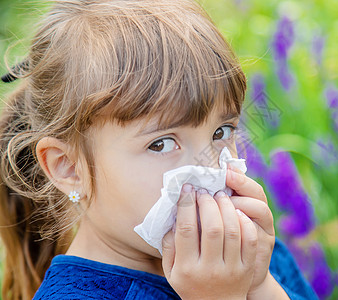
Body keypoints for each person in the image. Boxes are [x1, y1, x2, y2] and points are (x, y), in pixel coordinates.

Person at [0, 0, 319, 299]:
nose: (208, 169)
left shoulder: (244, 249)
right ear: (68, 168)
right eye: (161, 143)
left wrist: (258, 283)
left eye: (221, 131)